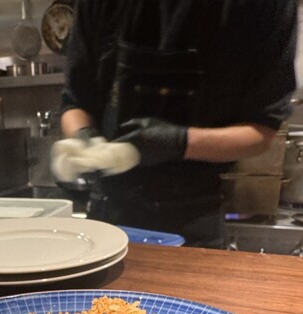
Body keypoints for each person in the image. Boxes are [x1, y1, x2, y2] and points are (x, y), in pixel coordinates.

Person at [51, 0, 297, 247]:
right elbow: (75, 103)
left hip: (196, 216)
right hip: (108, 213)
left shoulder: (262, 6)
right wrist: (84, 140)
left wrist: (178, 142)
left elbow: (261, 132)